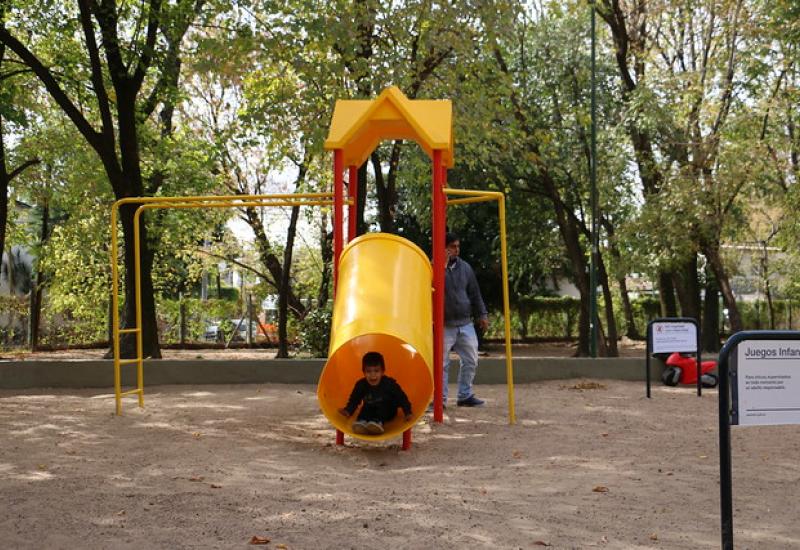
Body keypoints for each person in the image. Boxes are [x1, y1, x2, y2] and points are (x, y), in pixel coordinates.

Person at [441, 232, 489, 407]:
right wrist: (442, 266)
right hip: (444, 324)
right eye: (452, 246)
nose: (456, 250)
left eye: (458, 246)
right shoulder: (433, 267)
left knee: (471, 359)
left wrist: (482, 314)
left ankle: (465, 395)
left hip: (465, 322)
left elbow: (475, 293)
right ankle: (440, 399)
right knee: (441, 364)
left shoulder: (465, 268)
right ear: (443, 248)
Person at [338, 351, 413, 435]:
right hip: (370, 407)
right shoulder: (361, 385)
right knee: (366, 408)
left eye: (376, 371)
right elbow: (354, 399)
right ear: (364, 372)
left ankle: (378, 423)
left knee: (384, 407)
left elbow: (401, 397)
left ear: (382, 372)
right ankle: (362, 422)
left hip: (388, 409)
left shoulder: (389, 384)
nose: (372, 375)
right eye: (368, 371)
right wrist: (348, 411)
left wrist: (408, 412)